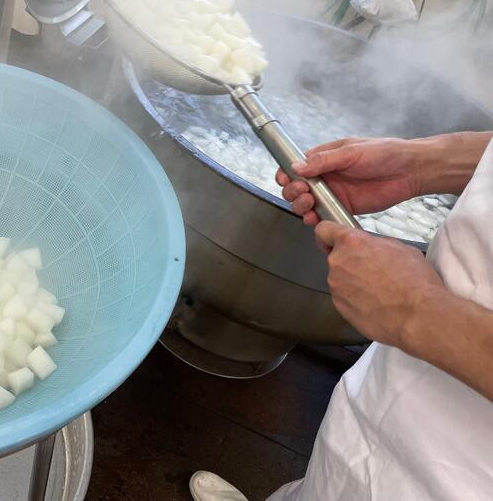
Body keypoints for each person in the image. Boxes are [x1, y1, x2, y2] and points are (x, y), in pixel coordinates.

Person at [189, 132, 493, 501]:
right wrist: (421, 164)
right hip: (401, 379)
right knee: (336, 477)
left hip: (465, 475)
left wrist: (419, 309)